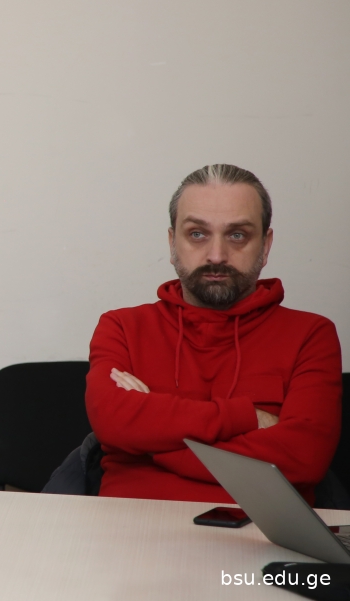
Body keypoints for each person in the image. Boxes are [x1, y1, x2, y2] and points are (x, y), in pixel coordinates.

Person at [86, 164, 341, 503]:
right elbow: (112, 421)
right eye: (197, 234)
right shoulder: (122, 326)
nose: (217, 255)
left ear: (265, 245)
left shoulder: (311, 335)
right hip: (130, 524)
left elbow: (303, 457)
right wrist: (247, 417)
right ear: (172, 243)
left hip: (261, 529)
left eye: (237, 235)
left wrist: (149, 443)